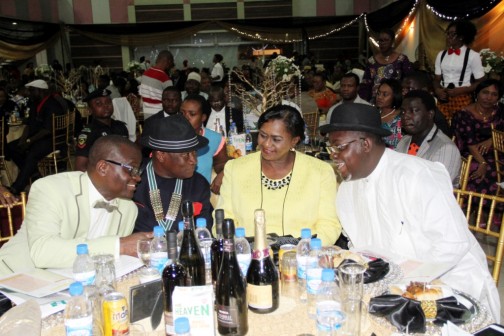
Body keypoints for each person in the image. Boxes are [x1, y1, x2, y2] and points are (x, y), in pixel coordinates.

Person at [321, 103, 500, 322]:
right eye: (331, 149)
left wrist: (403, 284)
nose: (334, 157)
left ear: (365, 144)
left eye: (339, 147)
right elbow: (361, 250)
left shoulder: (417, 176)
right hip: (389, 292)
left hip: (448, 290)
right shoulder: (347, 190)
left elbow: (453, 246)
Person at [0, 135, 150, 274]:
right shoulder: (51, 189)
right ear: (103, 167)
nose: (137, 178)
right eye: (131, 170)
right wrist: (120, 246)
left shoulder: (128, 209)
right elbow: (43, 252)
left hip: (70, 287)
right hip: (15, 281)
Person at [216, 104, 341, 246]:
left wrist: (303, 251)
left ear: (294, 141)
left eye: (276, 139)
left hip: (303, 258)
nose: (267, 144)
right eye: (263, 135)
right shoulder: (236, 168)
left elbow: (329, 225)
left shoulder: (320, 171)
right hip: (247, 257)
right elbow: (223, 217)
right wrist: (240, 248)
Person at [134, 114, 213, 233]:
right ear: (161, 155)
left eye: (194, 152)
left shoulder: (198, 185)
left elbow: (204, 232)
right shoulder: (133, 180)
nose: (194, 160)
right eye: (185, 154)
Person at [8, 79, 66, 195]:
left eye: (32, 90)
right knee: (11, 147)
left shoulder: (52, 104)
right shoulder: (35, 103)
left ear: (40, 91)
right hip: (37, 137)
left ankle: (17, 187)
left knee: (32, 154)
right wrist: (23, 140)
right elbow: (29, 125)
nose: (29, 93)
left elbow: (47, 130)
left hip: (52, 139)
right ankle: (34, 174)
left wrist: (29, 142)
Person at [396, 90, 461, 186]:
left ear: (430, 114)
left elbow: (435, 188)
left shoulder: (445, 148)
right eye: (403, 111)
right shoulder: (404, 141)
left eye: (414, 111)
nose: (406, 116)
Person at [451, 79, 504, 194]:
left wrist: (491, 140)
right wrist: (482, 162)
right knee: (488, 171)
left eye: (494, 94)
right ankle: (481, 206)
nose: (489, 97)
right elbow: (470, 144)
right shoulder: (463, 115)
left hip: (496, 152)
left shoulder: (500, 112)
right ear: (477, 93)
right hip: (471, 154)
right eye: (485, 92)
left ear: (498, 98)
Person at [433, 20, 485, 120]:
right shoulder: (441, 55)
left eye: (452, 34)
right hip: (443, 98)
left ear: (462, 37)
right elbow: (436, 79)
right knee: (442, 127)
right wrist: (437, 90)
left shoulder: (473, 56)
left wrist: (462, 90)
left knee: (460, 128)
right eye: (447, 33)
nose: (448, 36)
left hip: (463, 98)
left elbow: (481, 82)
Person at [181, 94, 228, 194]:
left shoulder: (214, 139)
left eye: (192, 114)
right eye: (182, 113)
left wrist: (223, 173)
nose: (185, 118)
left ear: (203, 117)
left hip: (201, 198)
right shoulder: (168, 138)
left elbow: (220, 164)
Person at [75, 89, 129, 172]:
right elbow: (80, 167)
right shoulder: (88, 133)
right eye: (98, 104)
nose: (106, 106)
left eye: (108, 102)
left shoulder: (121, 127)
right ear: (90, 110)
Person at [359, 28, 413, 103]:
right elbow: (366, 84)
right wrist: (364, 102)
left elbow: (408, 81)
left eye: (386, 40)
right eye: (380, 40)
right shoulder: (371, 61)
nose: (382, 43)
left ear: (392, 42)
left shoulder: (401, 59)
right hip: (375, 101)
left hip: (396, 100)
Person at [401, 71, 452, 137]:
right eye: (402, 89)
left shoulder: (438, 114)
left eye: (409, 89)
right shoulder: (402, 108)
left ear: (425, 90)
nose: (404, 93)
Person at [139, 50, 174, 118]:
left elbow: (141, 95)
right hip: (159, 115)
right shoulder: (165, 78)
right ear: (169, 62)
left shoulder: (145, 73)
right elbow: (171, 101)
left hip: (145, 113)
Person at [376, 79, 403, 149]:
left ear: (395, 96)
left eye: (385, 94)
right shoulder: (372, 113)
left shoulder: (401, 117)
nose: (379, 97)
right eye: (378, 93)